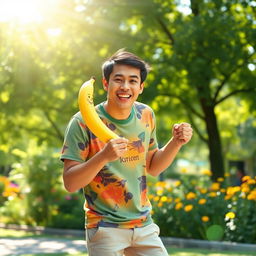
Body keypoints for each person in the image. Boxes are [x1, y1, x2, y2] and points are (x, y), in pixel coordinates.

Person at [60, 49, 193, 256]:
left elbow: (153, 167)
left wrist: (176, 142)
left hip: (143, 225)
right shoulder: (82, 122)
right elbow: (70, 183)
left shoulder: (146, 114)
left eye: (133, 81)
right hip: (104, 228)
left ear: (141, 87)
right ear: (106, 83)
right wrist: (103, 156)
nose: (125, 87)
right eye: (118, 80)